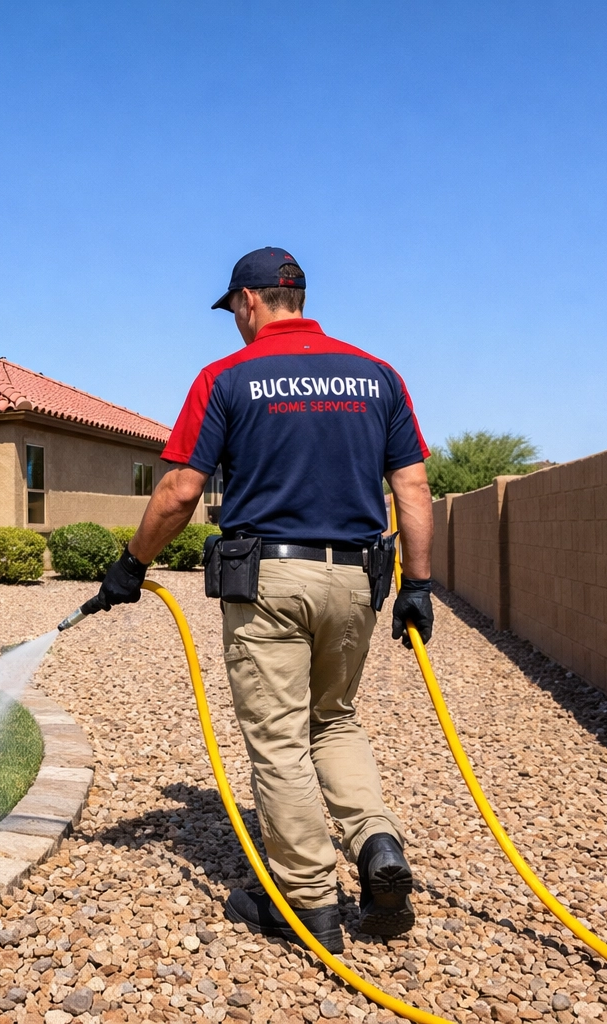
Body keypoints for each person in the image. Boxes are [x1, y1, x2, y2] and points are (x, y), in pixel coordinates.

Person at [92, 247, 436, 952]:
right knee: (334, 721)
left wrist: (132, 564)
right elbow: (413, 489)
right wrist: (419, 586)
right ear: (298, 296)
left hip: (270, 583)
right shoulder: (379, 376)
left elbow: (180, 490)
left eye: (235, 313)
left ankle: (308, 902)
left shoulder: (227, 377)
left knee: (279, 741)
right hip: (357, 580)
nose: (236, 325)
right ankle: (376, 846)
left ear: (249, 302)